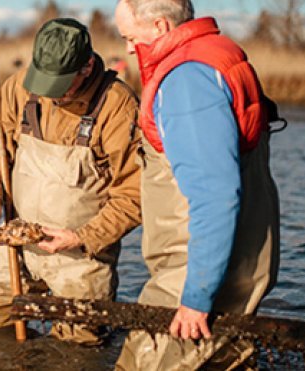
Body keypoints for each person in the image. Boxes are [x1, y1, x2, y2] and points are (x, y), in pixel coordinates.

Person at [113, 0, 281, 369]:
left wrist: (195, 298)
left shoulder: (186, 80)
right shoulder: (215, 54)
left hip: (192, 272)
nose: (127, 48)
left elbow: (215, 197)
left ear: (159, 27)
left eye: (129, 36)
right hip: (230, 261)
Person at [0, 18, 141, 345]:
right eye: (41, 80)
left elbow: (134, 196)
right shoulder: (18, 87)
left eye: (59, 84)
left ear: (87, 66)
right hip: (16, 245)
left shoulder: (118, 105)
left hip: (82, 256)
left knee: (77, 351)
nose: (47, 93)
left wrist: (81, 237)